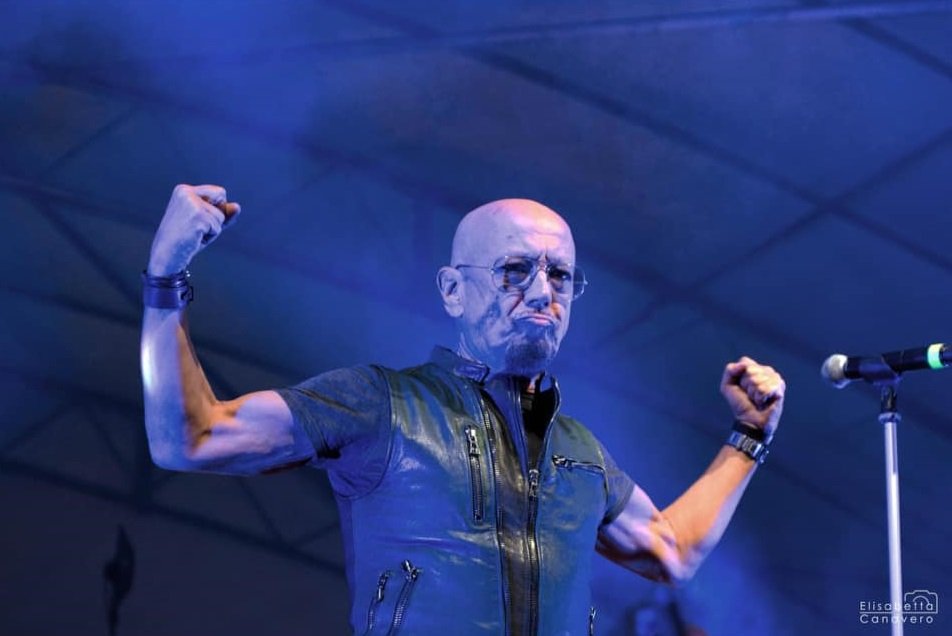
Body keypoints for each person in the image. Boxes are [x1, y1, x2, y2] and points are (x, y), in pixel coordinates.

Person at [141, 184, 786, 635]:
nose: (542, 291)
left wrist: (749, 436)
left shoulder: (579, 452)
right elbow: (190, 438)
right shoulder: (380, 403)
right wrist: (165, 278)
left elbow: (671, 550)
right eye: (515, 269)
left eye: (560, 275)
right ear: (453, 290)